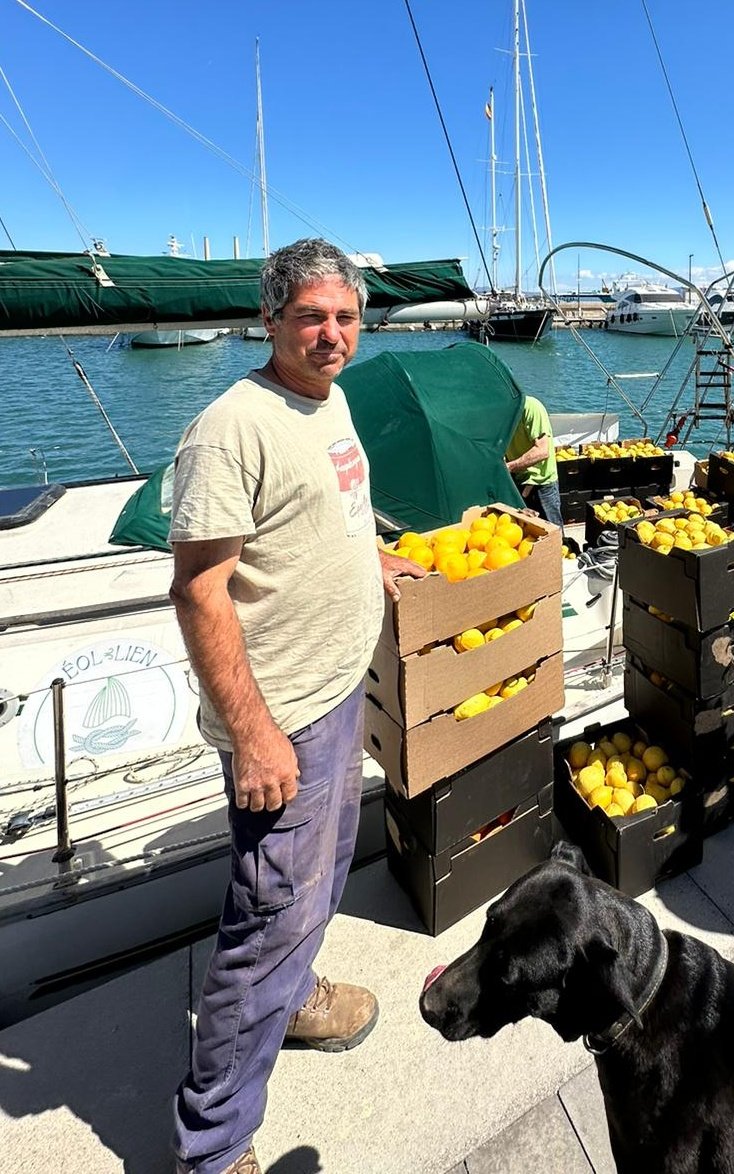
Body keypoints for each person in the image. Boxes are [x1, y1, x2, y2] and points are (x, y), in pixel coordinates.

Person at [168, 238, 425, 1174]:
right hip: (283, 720)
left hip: (334, 691)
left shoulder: (332, 399)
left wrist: (375, 562)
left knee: (306, 894)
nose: (331, 334)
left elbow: (336, 517)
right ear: (270, 318)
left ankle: (301, 994)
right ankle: (214, 1146)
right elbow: (199, 590)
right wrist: (254, 734)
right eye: (311, 316)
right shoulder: (230, 428)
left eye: (346, 317)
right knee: (268, 916)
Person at [505, 394, 563, 526]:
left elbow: (542, 451)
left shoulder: (531, 407)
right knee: (526, 533)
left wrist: (509, 467)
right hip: (517, 481)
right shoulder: (500, 414)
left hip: (542, 484)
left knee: (552, 533)